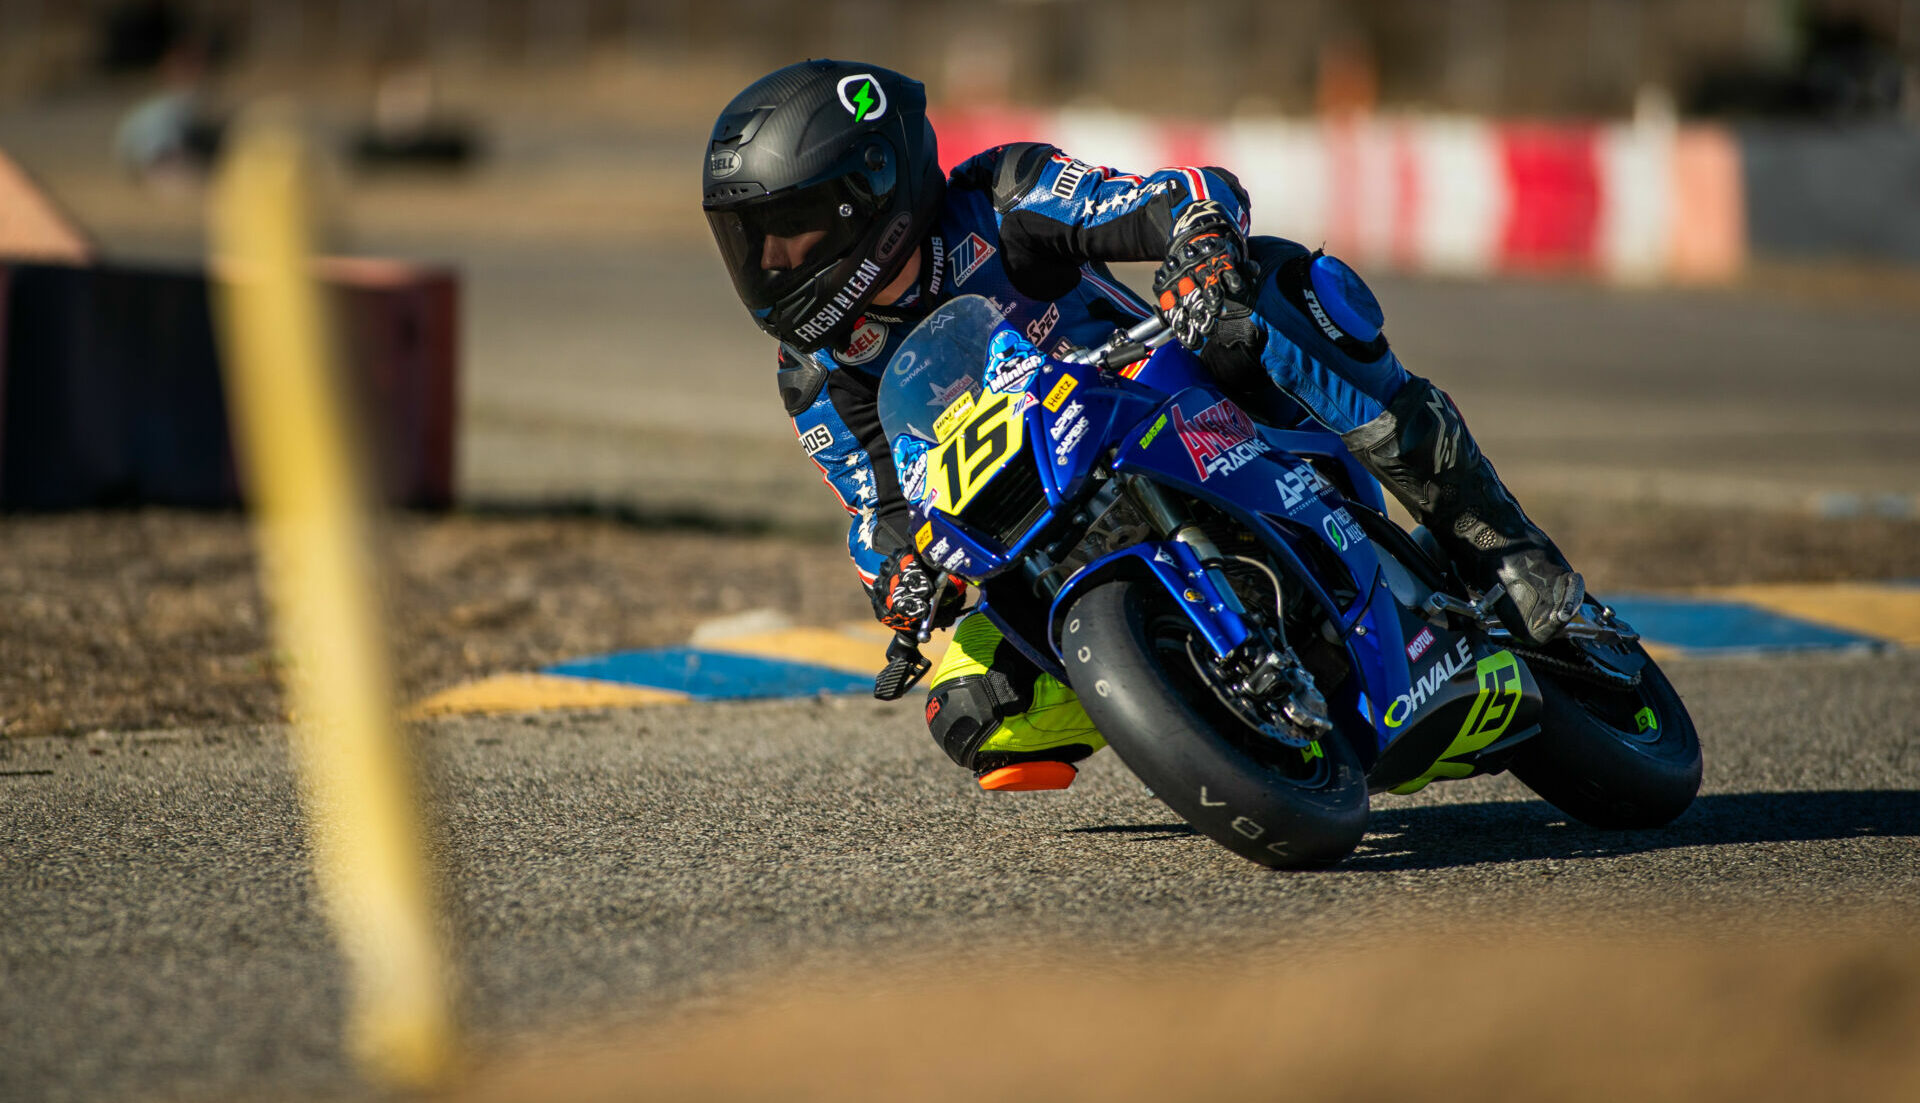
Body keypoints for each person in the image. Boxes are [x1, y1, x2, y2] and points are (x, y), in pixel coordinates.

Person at [702, 60, 1583, 792]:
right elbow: (874, 506)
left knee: (1276, 297)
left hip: (1175, 406)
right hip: (1035, 522)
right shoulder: (817, 371)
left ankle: (1501, 545)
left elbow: (1171, 193)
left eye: (787, 233)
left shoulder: (999, 198)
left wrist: (1198, 240)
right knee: (969, 706)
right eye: (751, 243)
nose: (768, 264)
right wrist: (896, 578)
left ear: (869, 192)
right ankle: (1203, 700)